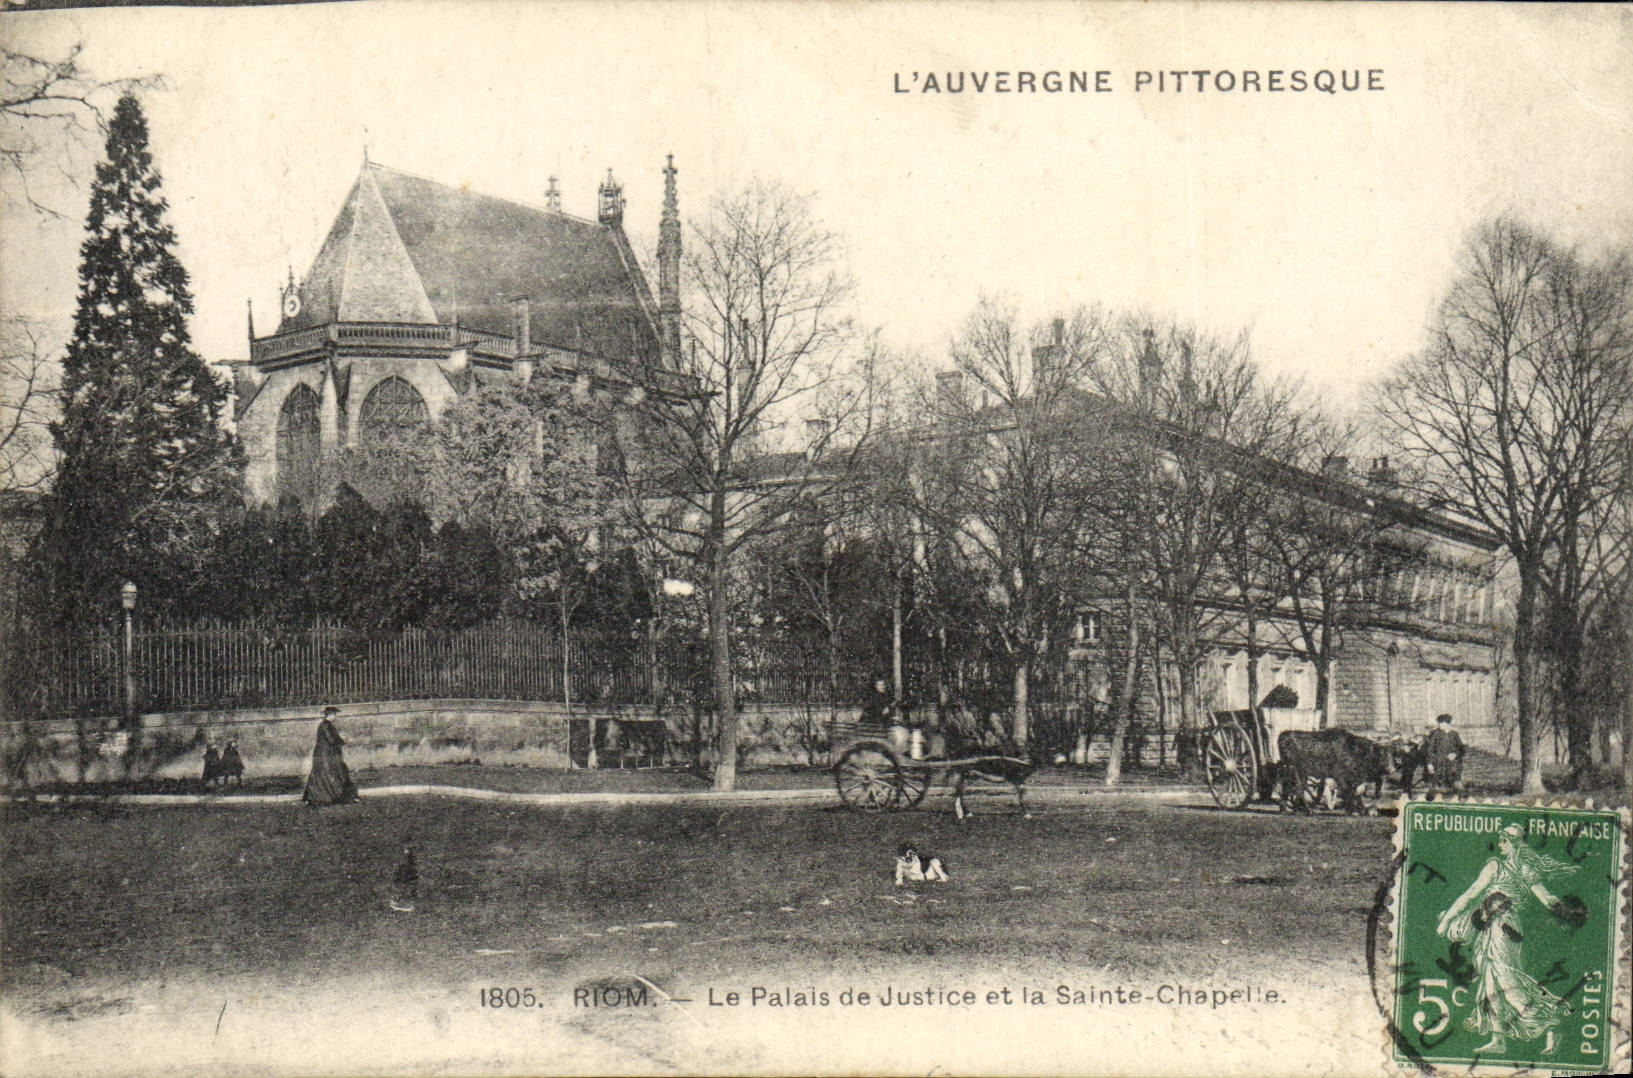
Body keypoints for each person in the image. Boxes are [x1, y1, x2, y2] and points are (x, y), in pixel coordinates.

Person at [1435, 823, 1582, 1056]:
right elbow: (1547, 899)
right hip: (1501, 928)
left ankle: (1551, 1025)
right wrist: (1565, 911)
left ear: (1513, 843)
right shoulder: (1526, 870)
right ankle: (1498, 1039)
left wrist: (1446, 921)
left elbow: (1471, 894)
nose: (1500, 845)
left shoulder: (1496, 867)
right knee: (1491, 983)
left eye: (1503, 840)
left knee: (1507, 983)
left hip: (1501, 930)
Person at [303, 706, 359, 806]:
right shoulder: (325, 726)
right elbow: (331, 740)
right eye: (335, 715)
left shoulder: (326, 725)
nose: (336, 717)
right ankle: (328, 797)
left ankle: (322, 797)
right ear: (330, 715)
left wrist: (341, 739)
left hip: (326, 754)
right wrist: (343, 739)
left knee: (325, 775)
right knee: (330, 774)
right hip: (326, 755)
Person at [1422, 713, 1464, 797]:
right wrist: (1429, 763)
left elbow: (1461, 749)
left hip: (1451, 761)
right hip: (1437, 760)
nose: (1439, 725)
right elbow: (1429, 750)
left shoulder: (1454, 734)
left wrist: (1455, 754)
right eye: (1439, 723)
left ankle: (1456, 783)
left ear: (1447, 724)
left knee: (1455, 766)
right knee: (1438, 782)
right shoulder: (1435, 734)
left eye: (1441, 723)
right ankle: (1438, 786)